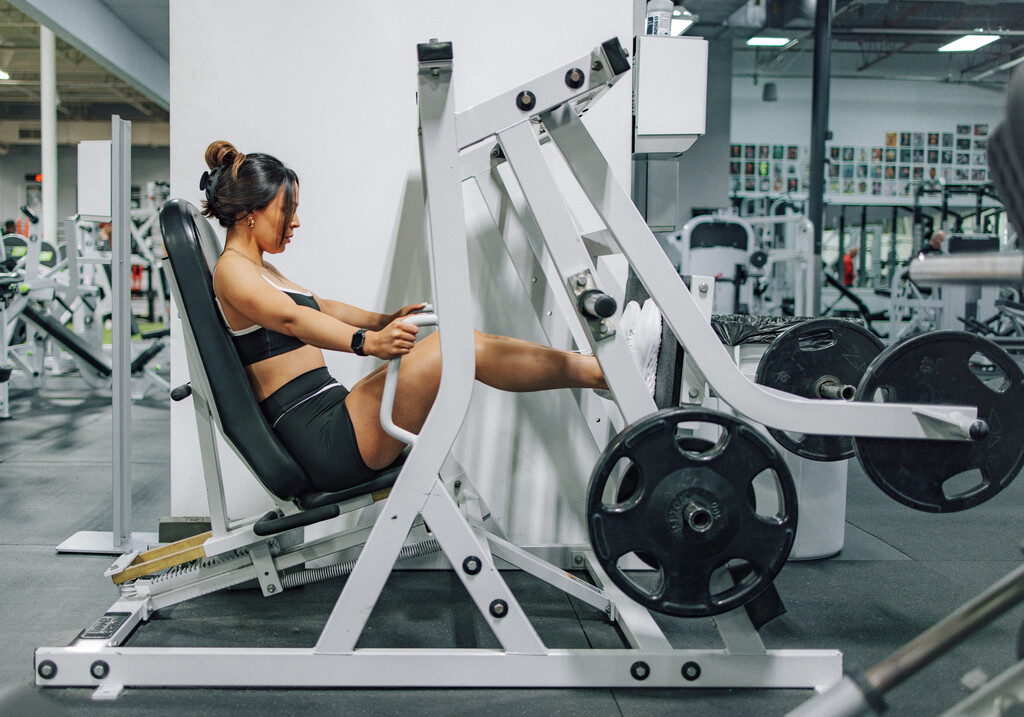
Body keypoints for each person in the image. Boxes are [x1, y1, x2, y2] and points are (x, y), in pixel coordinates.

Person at [204, 141, 661, 493]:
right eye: (288, 209)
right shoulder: (233, 273)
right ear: (249, 213)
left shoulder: (259, 269)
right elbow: (291, 321)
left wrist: (382, 320)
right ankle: (606, 373)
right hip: (323, 439)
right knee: (450, 348)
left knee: (457, 343)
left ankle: (601, 372)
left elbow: (319, 307)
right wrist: (368, 343)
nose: (295, 222)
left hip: (330, 413)